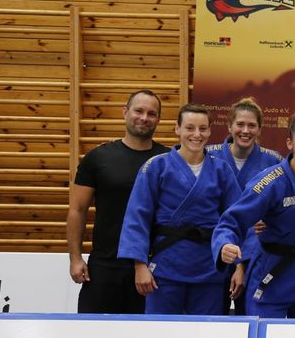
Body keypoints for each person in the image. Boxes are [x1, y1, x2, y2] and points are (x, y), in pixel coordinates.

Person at [213, 110, 295, 319]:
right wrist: (224, 243)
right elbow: (232, 220)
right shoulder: (270, 181)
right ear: (289, 144)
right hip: (273, 271)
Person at [116, 104, 242, 315]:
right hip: (165, 266)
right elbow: (137, 218)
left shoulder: (221, 170)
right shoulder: (156, 167)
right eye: (190, 128)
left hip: (208, 267)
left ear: (210, 131)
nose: (196, 134)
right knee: (161, 336)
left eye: (203, 129)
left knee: (206, 337)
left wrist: (239, 266)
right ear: (177, 129)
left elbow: (236, 218)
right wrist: (140, 265)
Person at [67, 89, 169, 314]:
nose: (144, 118)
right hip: (105, 266)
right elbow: (77, 209)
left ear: (158, 120)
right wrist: (75, 258)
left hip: (152, 268)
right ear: (125, 112)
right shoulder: (98, 158)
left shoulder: (167, 161)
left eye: (151, 113)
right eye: (138, 111)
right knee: (95, 337)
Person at [205, 97, 283, 314]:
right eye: (240, 124)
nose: (245, 130)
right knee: (211, 319)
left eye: (252, 125)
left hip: (255, 253)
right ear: (229, 126)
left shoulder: (273, 161)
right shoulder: (209, 157)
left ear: (260, 129)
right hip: (214, 249)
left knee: (248, 318)